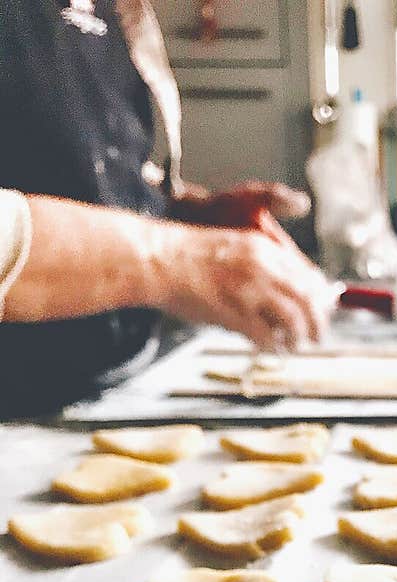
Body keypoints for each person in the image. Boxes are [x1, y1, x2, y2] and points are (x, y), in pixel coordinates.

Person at [0, 1, 333, 412]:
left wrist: (188, 222)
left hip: (118, 391)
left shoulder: (118, 10)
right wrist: (182, 256)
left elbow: (91, 175)